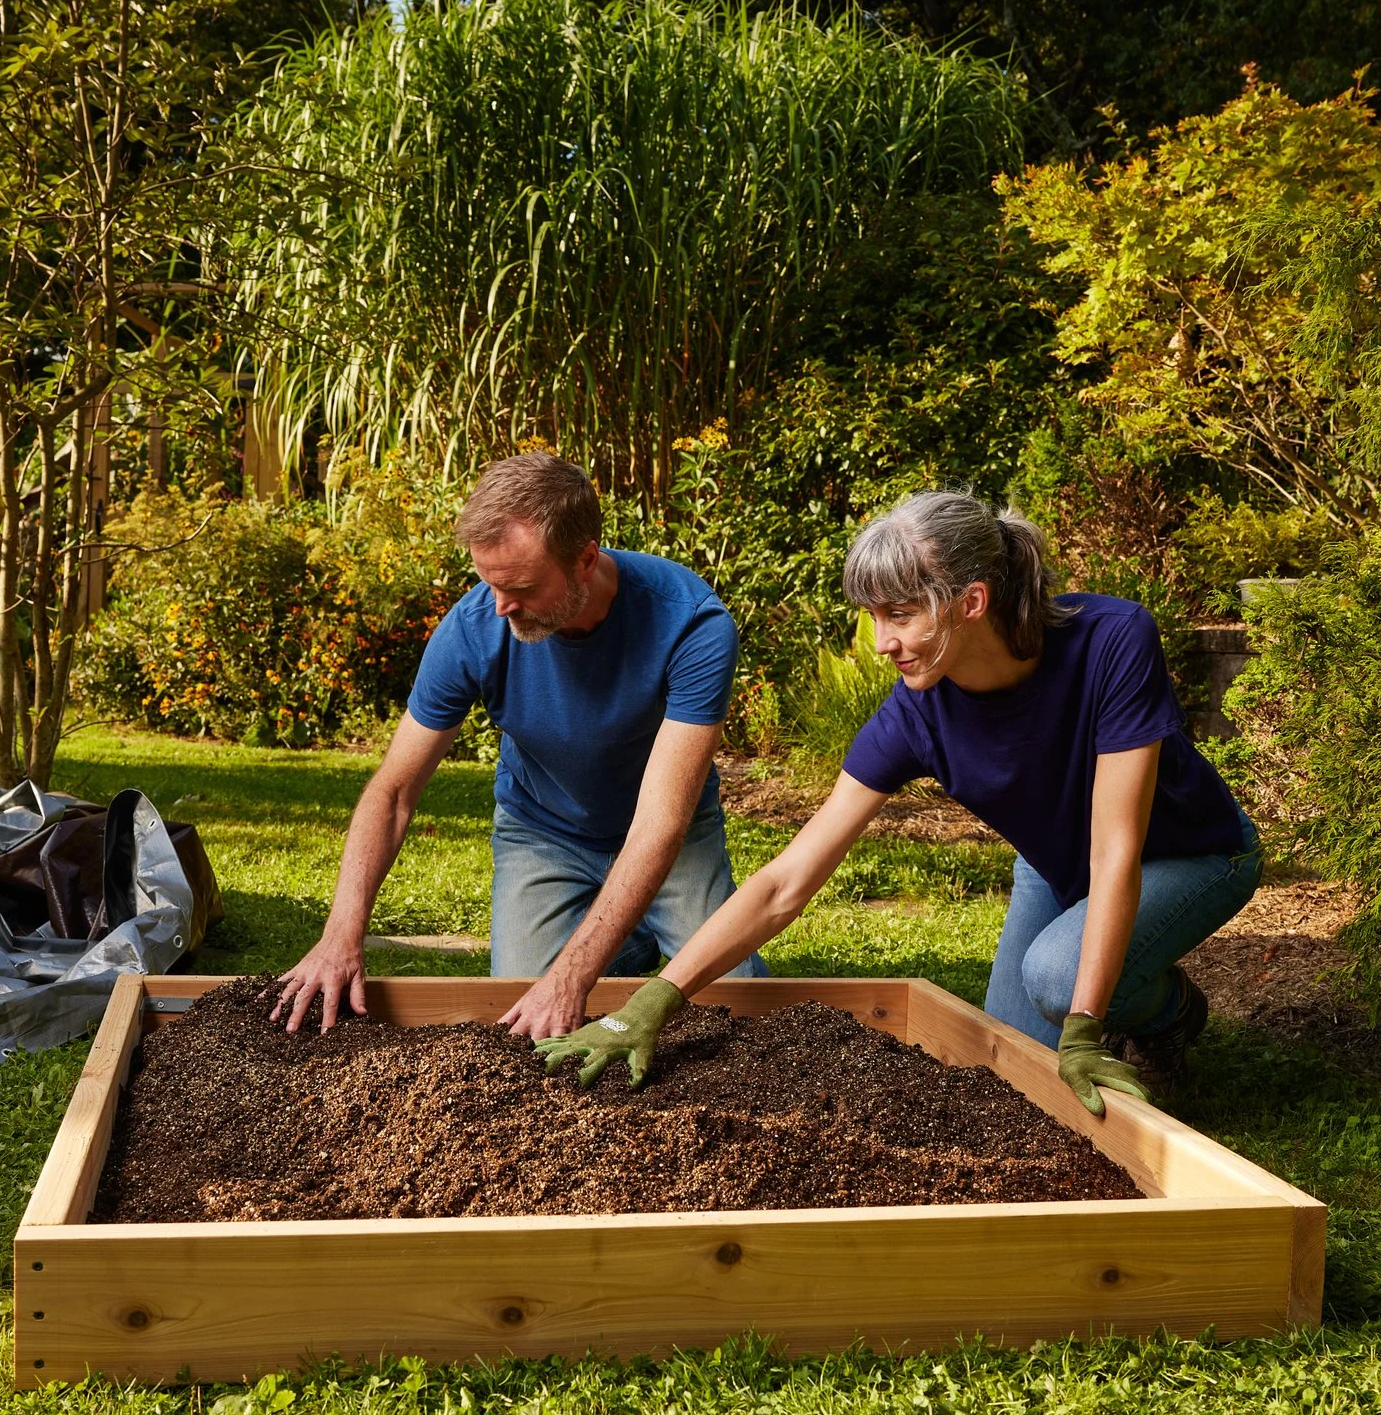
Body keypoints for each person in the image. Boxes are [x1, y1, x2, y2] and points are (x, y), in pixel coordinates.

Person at [541, 490, 1260, 1114]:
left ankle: (1164, 1016)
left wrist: (1083, 1023)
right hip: (1057, 866)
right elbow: (787, 881)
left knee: (1054, 980)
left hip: (1191, 852)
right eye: (872, 616)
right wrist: (659, 998)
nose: (882, 643)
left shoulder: (1112, 640)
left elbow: (1116, 848)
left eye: (900, 615)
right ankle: (1134, 996)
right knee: (1003, 1069)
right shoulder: (916, 714)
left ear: (971, 601)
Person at [272, 451, 765, 1042]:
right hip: (542, 833)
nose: (501, 606)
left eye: (522, 588)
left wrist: (574, 976)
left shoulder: (691, 626)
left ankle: (617, 935)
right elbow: (395, 789)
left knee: (740, 1010)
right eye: (489, 583)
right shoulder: (475, 626)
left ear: (585, 560)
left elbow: (660, 823)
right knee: (523, 1017)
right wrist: (341, 934)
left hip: (675, 840)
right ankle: (621, 936)